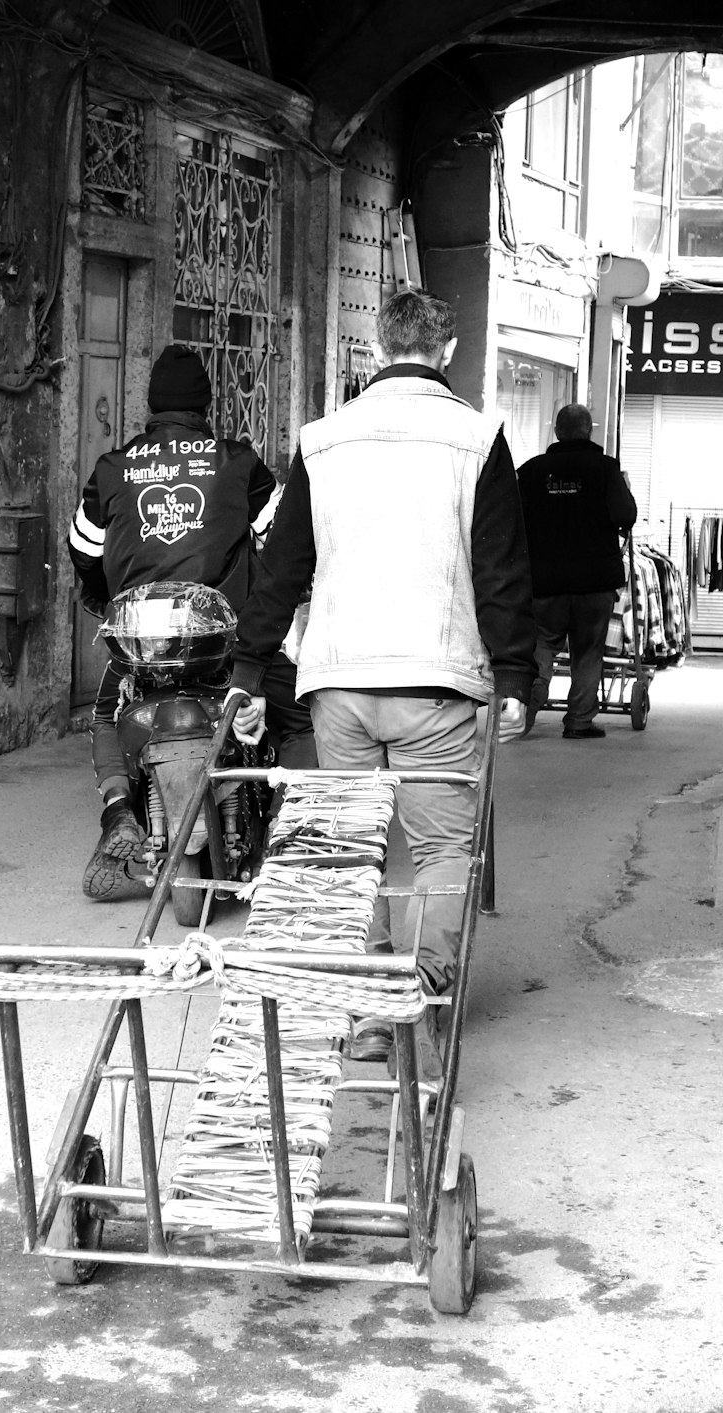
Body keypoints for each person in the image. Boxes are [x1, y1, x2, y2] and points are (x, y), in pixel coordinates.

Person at [227, 289, 536, 1079]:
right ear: (450, 348)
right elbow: (501, 571)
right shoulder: (478, 438)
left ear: (376, 345)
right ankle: (418, 989)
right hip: (435, 681)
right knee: (439, 848)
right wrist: (514, 677)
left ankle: (368, 1005)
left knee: (352, 844)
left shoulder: (323, 440)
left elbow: (282, 566)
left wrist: (250, 671)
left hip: (339, 684)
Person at [68, 343, 315, 900]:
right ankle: (290, 833)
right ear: (207, 405)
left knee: (107, 715)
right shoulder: (237, 462)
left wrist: (103, 594)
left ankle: (115, 813)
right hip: (226, 647)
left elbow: (82, 546)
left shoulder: (111, 468)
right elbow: (280, 542)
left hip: (142, 650)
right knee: (297, 717)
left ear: (150, 406)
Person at [517, 402, 637, 740]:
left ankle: (524, 712)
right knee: (587, 652)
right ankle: (580, 721)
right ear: (589, 431)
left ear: (557, 432)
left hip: (545, 581)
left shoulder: (531, 471)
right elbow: (625, 515)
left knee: (540, 647)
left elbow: (513, 521)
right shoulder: (605, 469)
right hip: (594, 581)